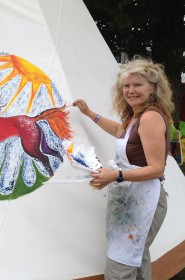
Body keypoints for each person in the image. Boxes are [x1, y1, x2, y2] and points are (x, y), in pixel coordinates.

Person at [73, 57, 174, 280]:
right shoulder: (135, 117)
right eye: (126, 85)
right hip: (134, 197)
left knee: (121, 264)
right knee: (135, 258)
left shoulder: (150, 117)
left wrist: (115, 175)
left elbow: (156, 169)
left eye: (137, 85)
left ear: (153, 88)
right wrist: (89, 113)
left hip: (146, 199)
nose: (130, 90)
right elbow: (120, 130)